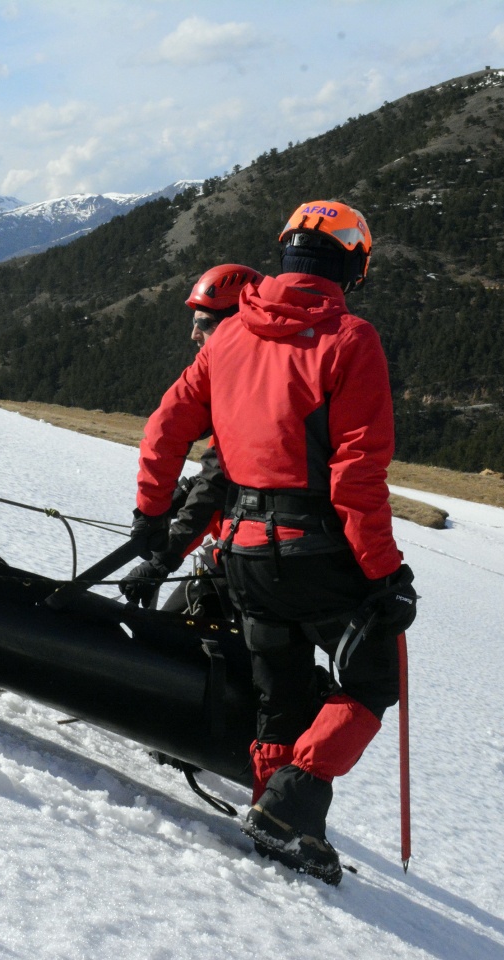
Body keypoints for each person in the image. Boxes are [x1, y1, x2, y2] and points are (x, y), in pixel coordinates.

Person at [128, 200, 417, 884]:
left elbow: (167, 426)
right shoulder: (350, 339)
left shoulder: (228, 336)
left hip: (244, 553)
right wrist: (384, 573)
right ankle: (290, 807)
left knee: (280, 695)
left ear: (285, 252)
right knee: (373, 680)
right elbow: (356, 474)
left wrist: (150, 515)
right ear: (354, 264)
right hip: (315, 553)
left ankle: (277, 814)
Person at [119, 264, 262, 615]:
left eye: (203, 324)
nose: (194, 335)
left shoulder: (246, 389)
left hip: (252, 559)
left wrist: (163, 552)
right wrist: (176, 497)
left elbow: (220, 479)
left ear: (235, 326)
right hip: (249, 548)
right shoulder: (244, 374)